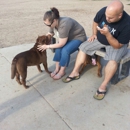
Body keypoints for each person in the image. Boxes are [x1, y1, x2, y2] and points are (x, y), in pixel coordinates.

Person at [62, 0, 130, 100]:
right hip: (100, 39)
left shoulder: (127, 23)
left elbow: (118, 45)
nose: (107, 19)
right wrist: (94, 34)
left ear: (119, 15)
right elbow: (95, 21)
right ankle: (75, 72)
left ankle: (103, 85)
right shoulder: (104, 11)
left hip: (116, 44)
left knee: (113, 60)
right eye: (106, 16)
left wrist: (108, 35)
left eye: (110, 18)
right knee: (83, 47)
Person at [37, 7, 86, 80]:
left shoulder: (64, 24)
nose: (48, 26)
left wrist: (47, 46)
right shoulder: (52, 23)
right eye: (45, 24)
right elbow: (50, 33)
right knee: (58, 49)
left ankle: (62, 71)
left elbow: (61, 44)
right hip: (68, 37)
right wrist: (44, 39)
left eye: (48, 25)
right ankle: (57, 69)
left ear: (54, 20)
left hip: (78, 37)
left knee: (65, 50)